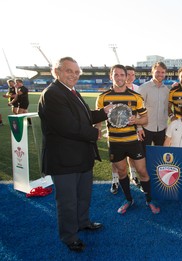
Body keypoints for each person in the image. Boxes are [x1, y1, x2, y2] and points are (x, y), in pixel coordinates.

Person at [38, 57, 112, 252]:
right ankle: (69, 237)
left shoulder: (71, 91)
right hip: (64, 160)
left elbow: (85, 117)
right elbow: (67, 126)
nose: (74, 75)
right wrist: (95, 133)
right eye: (69, 71)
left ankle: (83, 222)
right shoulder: (52, 93)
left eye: (77, 72)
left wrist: (104, 112)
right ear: (57, 72)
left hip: (81, 156)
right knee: (67, 201)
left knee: (83, 196)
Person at [96, 64, 160, 215]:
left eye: (121, 75)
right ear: (111, 76)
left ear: (126, 77)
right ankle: (128, 199)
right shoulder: (103, 97)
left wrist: (135, 121)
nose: (119, 78)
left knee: (142, 171)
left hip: (133, 141)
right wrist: (98, 129)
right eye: (115, 75)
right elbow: (98, 117)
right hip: (115, 142)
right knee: (122, 172)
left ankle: (149, 200)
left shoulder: (135, 97)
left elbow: (145, 119)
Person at [139, 62, 169, 146]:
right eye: (158, 72)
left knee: (159, 156)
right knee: (144, 155)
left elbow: (165, 109)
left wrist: (166, 126)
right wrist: (139, 127)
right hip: (146, 128)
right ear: (152, 72)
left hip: (161, 129)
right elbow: (138, 109)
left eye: (163, 72)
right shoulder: (144, 88)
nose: (160, 74)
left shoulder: (166, 90)